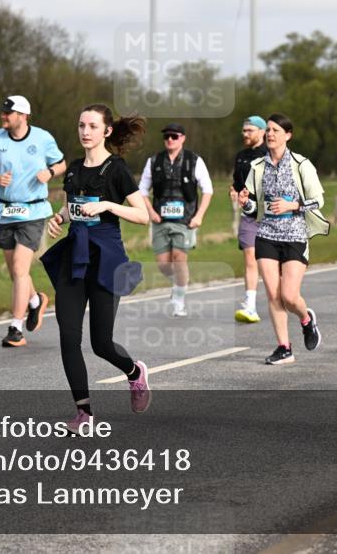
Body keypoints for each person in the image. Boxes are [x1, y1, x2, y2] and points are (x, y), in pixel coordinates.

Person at [40, 104, 150, 433]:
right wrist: (60, 218)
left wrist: (107, 205)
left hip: (106, 258)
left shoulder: (116, 169)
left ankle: (134, 373)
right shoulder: (73, 169)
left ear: (107, 131)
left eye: (92, 126)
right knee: (68, 338)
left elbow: (143, 215)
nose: (85, 131)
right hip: (75, 258)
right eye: (81, 125)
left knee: (101, 343)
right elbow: (71, 206)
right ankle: (84, 414)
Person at [238, 114, 329, 365]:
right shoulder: (257, 167)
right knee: (273, 294)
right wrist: (245, 202)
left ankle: (306, 319)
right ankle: (284, 348)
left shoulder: (301, 164)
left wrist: (293, 204)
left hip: (295, 236)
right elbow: (252, 208)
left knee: (289, 296)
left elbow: (319, 200)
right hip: (266, 234)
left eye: (276, 130)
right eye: (267, 130)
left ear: (288, 135)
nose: (270, 134)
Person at [0, 95, 66, 347]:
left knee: (19, 268)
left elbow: (61, 164)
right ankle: (36, 300)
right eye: (3, 112)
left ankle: (15, 328)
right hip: (4, 212)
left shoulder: (42, 138)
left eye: (9, 112)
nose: (4, 116)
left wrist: (48, 172)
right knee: (15, 272)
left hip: (33, 212)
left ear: (24, 115)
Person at [138, 123, 213, 317]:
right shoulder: (153, 161)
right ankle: (180, 281)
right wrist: (150, 212)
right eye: (166, 136)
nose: (170, 139)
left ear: (182, 138)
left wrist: (199, 216)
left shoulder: (194, 160)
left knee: (180, 260)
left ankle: (179, 300)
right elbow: (142, 190)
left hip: (185, 220)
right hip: (160, 219)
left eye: (174, 136)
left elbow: (207, 190)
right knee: (163, 264)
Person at [231, 116, 268, 323]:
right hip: (249, 215)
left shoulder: (270, 155)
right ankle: (250, 305)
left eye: (250, 131)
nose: (245, 134)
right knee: (250, 257)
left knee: (271, 262)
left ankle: (283, 298)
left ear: (262, 132)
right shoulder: (241, 156)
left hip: (271, 215)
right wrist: (234, 192)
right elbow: (236, 183)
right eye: (244, 131)